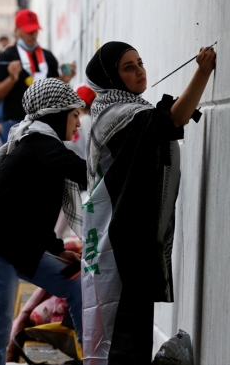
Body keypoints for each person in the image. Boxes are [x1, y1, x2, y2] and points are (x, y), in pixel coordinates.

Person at [81, 41, 215, 363]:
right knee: (124, 340)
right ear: (111, 78)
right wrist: (203, 70)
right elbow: (175, 118)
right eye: (128, 67)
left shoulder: (116, 113)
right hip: (120, 247)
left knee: (127, 338)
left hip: (121, 242)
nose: (140, 71)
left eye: (139, 62)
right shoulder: (120, 116)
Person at [0, 78, 87, 365]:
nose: (78, 125)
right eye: (74, 116)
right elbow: (84, 172)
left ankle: (91, 358)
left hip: (19, 247)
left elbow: (34, 212)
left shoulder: (41, 146)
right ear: (57, 115)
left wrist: (58, 250)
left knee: (76, 285)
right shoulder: (39, 144)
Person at [0, 9, 74, 141]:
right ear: (16, 31)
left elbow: (55, 90)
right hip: (15, 121)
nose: (33, 35)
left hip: (45, 121)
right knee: (16, 161)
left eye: (35, 30)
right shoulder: (7, 56)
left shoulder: (48, 56)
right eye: (29, 31)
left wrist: (64, 79)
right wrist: (11, 79)